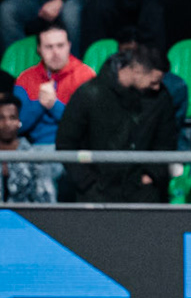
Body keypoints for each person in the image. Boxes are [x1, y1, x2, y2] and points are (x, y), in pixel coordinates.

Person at [50, 41, 176, 203]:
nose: (157, 87)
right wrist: (87, 182)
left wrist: (151, 175)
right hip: (97, 194)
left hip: (143, 195)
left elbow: (166, 142)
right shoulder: (89, 94)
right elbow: (65, 142)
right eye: (154, 81)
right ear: (136, 71)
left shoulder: (160, 98)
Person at [12, 21, 95, 147]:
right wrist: (39, 104)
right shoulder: (25, 79)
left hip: (71, 150)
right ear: (39, 50)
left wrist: (54, 105)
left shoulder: (85, 76)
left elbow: (89, 126)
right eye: (49, 47)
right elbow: (15, 127)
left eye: (60, 46)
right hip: (32, 151)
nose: (55, 52)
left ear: (69, 46)